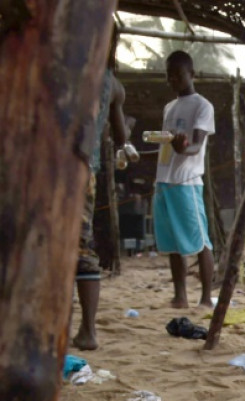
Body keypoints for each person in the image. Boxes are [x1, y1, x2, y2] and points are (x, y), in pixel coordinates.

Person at [73, 31, 130, 350]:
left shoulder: (63, 65)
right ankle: (87, 330)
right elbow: (123, 138)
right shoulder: (113, 85)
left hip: (50, 170)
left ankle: (86, 331)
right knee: (80, 248)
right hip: (84, 172)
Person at [153, 50, 216, 308]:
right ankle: (180, 296)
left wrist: (184, 148)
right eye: (169, 76)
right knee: (173, 244)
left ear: (192, 74)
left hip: (187, 182)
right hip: (164, 180)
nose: (173, 80)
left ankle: (205, 298)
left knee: (200, 241)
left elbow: (197, 144)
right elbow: (167, 144)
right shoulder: (169, 107)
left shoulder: (203, 106)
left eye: (178, 75)